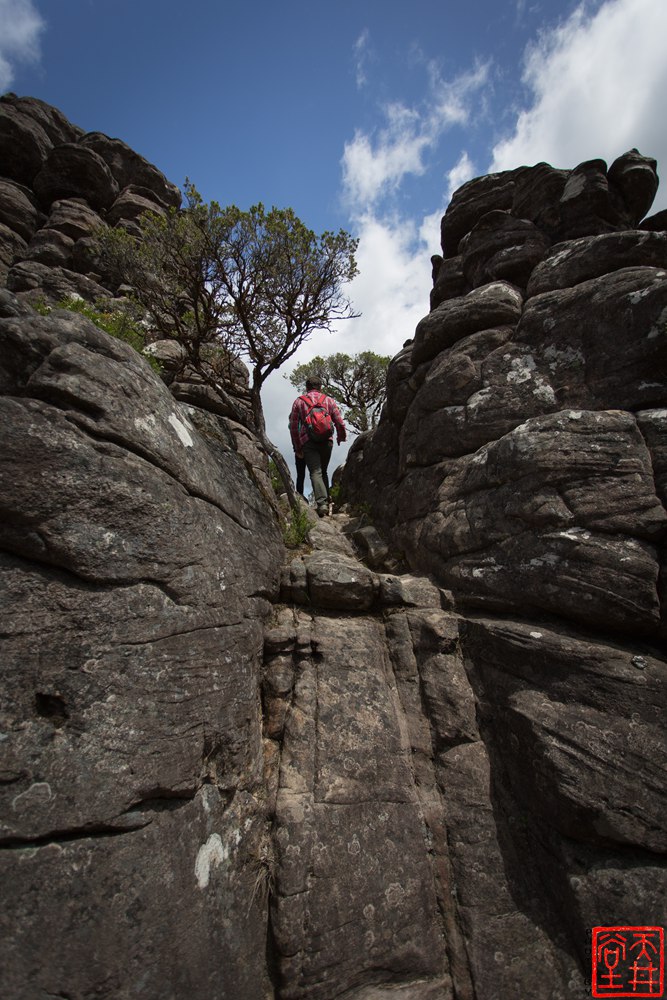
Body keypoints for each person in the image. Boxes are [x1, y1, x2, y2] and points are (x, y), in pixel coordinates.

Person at [290, 377, 346, 516]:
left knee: (315, 472)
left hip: (308, 441)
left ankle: (322, 504)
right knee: (324, 471)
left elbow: (293, 427)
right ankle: (327, 502)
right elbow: (339, 421)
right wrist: (341, 436)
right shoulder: (329, 400)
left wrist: (298, 447)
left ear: (307, 387)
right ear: (320, 387)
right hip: (327, 441)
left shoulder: (299, 401)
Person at [288, 410, 307, 496]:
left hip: (299, 450)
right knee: (315, 473)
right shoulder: (304, 422)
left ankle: (300, 494)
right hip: (309, 448)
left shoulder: (292, 425)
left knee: (300, 474)